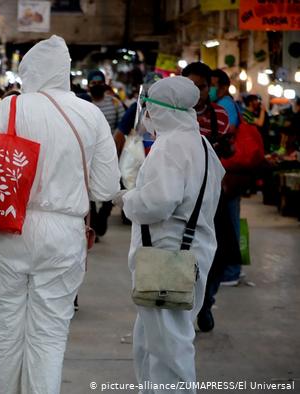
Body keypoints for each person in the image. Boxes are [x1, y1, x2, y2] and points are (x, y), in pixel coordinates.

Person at [0, 35, 120, 394]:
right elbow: (105, 189)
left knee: (4, 337)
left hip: (7, 226)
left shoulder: (11, 107)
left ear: (29, 72)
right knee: (50, 337)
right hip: (64, 233)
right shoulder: (91, 114)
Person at [115, 76, 224, 391]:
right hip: (187, 253)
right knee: (152, 340)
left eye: (148, 108)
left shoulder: (171, 145)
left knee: (169, 349)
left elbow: (158, 202)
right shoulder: (200, 143)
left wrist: (127, 199)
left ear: (161, 110)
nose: (146, 115)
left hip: (168, 258)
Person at [182, 62, 240, 332]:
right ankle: (185, 304)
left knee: (219, 251)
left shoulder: (220, 115)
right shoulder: (173, 113)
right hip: (182, 197)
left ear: (210, 88)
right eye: (191, 86)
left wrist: (225, 149)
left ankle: (206, 303)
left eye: (201, 87)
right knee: (182, 252)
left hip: (213, 195)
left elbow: (227, 152)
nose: (196, 92)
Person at [210, 69, 244, 286]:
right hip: (226, 172)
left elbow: (227, 133)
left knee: (230, 220)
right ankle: (230, 268)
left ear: (222, 86)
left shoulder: (226, 106)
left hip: (229, 173)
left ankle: (232, 270)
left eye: (211, 85)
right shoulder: (224, 104)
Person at [85, 70, 125, 238]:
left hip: (110, 153)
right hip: (89, 154)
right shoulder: (84, 104)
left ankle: (104, 214)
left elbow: (122, 126)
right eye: (93, 83)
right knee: (88, 186)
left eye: (99, 82)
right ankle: (93, 218)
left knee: (112, 184)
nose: (96, 85)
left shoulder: (115, 103)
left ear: (105, 83)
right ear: (88, 85)